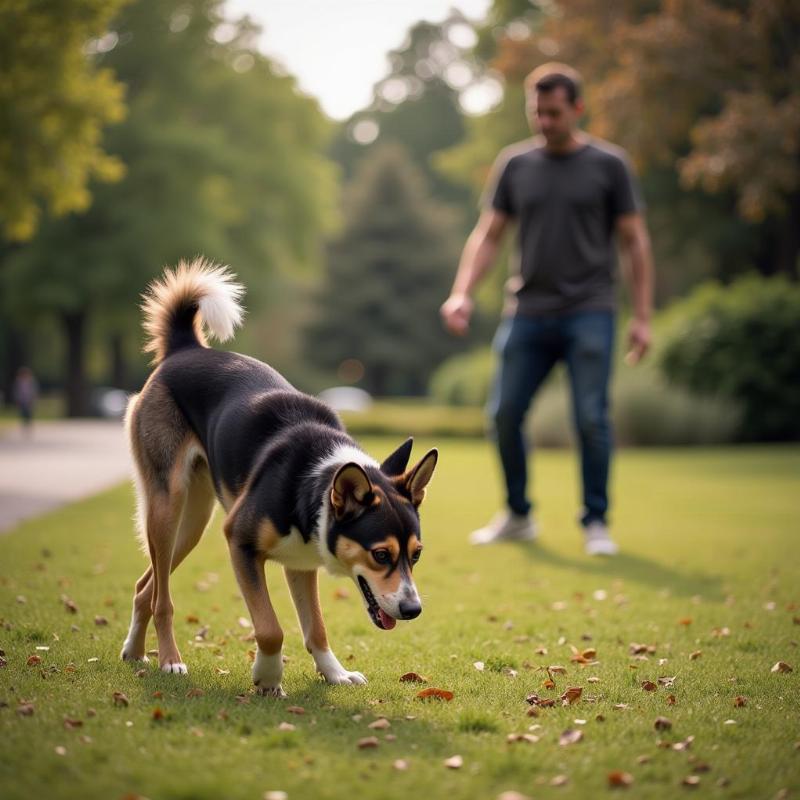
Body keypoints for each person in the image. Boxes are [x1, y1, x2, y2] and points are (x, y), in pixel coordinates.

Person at [440, 63, 654, 556]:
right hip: (528, 310)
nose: (544, 121)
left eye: (554, 112)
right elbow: (488, 235)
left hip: (591, 309)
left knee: (590, 418)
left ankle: (595, 521)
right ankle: (518, 514)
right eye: (536, 112)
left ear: (577, 108)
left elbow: (635, 242)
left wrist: (641, 317)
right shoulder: (515, 165)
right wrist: (462, 292)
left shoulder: (609, 165)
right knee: (503, 413)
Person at [12, 366, 38, 436]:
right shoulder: (18, 382)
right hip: (22, 400)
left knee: (29, 414)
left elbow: (34, 391)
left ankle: (28, 427)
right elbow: (16, 391)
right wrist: (17, 399)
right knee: (23, 414)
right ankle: (24, 427)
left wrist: (33, 399)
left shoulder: (31, 381)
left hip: (29, 400)